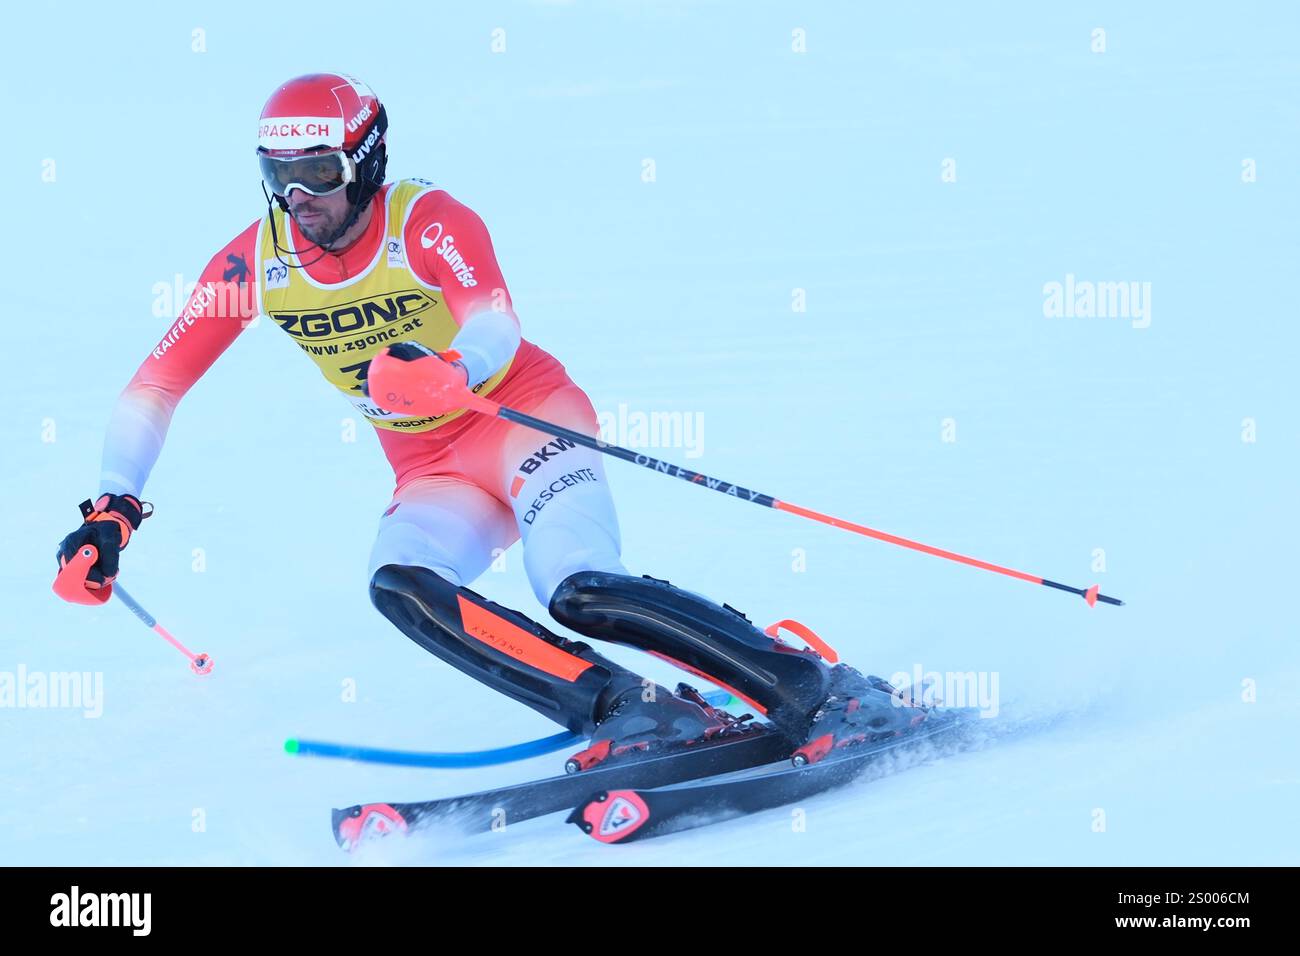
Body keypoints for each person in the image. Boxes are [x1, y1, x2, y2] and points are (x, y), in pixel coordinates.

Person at [53, 72, 926, 768]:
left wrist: (450, 371)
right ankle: (629, 708)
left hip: (525, 420)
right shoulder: (257, 259)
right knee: (401, 584)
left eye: (318, 172)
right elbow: (155, 387)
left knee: (577, 587)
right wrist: (112, 508)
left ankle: (819, 688)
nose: (299, 198)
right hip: (430, 470)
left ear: (365, 160)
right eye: (279, 177)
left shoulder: (424, 220)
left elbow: (493, 320)